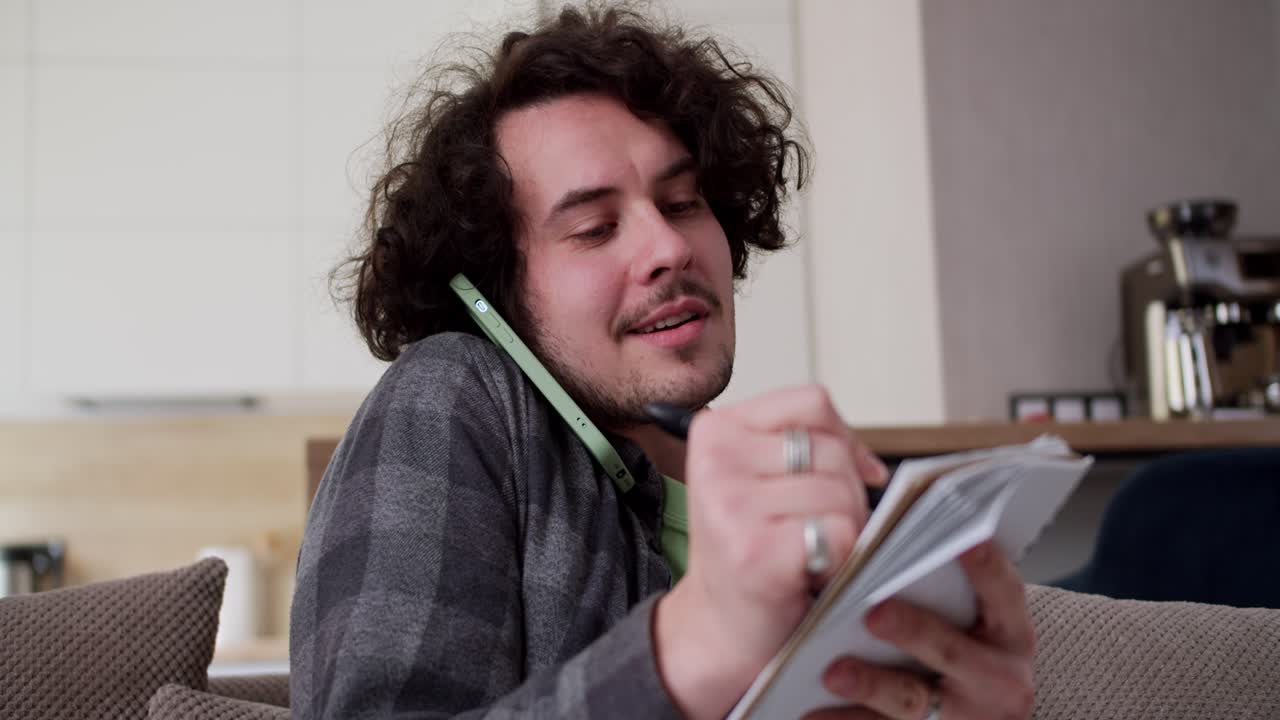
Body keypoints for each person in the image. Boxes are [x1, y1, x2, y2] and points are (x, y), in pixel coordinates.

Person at [290, 4, 1035, 719]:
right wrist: (694, 643)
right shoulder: (451, 397)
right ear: (493, 289)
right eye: (594, 228)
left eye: (682, 203)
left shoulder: (777, 504)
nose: (670, 249)